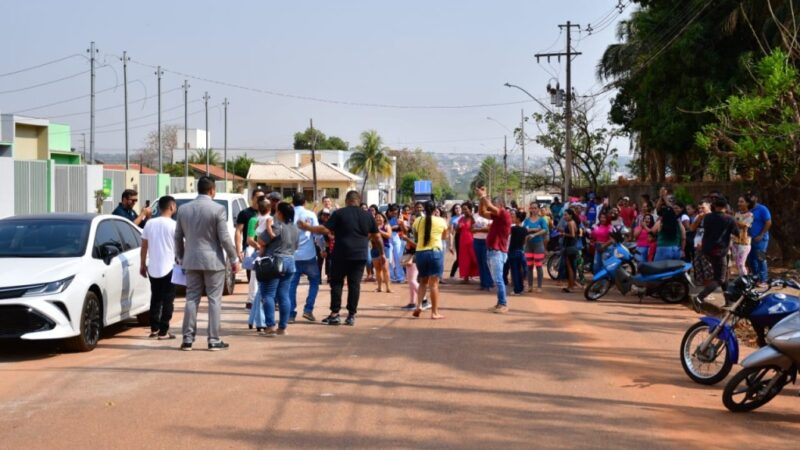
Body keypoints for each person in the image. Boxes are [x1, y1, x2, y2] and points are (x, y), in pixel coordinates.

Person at [300, 190, 384, 326]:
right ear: (358, 200)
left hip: (341, 254)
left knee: (337, 283)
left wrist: (307, 227)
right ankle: (351, 315)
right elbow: (378, 237)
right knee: (354, 284)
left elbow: (325, 229)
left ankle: (335, 314)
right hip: (360, 255)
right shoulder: (368, 216)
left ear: (346, 201)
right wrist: (382, 254)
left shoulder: (339, 213)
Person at [175, 177, 240, 351]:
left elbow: (177, 236)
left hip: (191, 260)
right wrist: (234, 258)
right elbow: (224, 238)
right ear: (212, 190)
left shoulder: (183, 209)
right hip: (213, 261)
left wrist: (180, 256)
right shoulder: (218, 209)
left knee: (191, 299)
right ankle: (213, 339)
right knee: (214, 300)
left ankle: (187, 340)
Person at [256, 202, 299, 336]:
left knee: (268, 294)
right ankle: (283, 327)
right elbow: (296, 247)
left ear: (280, 213)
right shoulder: (295, 228)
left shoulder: (276, 226)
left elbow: (261, 241)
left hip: (275, 262)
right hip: (290, 261)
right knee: (284, 295)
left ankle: (270, 326)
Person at [140, 195, 177, 340]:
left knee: (155, 298)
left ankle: (154, 328)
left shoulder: (149, 224)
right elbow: (181, 247)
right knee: (168, 300)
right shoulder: (174, 225)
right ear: (171, 207)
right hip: (170, 267)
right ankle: (164, 331)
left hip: (153, 267)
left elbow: (144, 246)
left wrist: (142, 264)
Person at [692, 197, 737, 310]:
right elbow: (736, 232)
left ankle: (728, 300)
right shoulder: (729, 219)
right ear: (726, 207)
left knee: (723, 274)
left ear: (714, 206)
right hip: (719, 251)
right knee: (720, 278)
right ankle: (699, 297)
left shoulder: (707, 218)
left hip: (707, 250)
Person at [475, 186, 512, 313]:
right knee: (497, 279)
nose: (492, 206)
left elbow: (489, 207)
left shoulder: (504, 214)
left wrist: (483, 196)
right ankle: (499, 303)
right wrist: (481, 200)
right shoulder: (497, 217)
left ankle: (503, 304)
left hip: (498, 252)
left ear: (500, 205)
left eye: (495, 203)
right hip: (492, 250)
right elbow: (481, 212)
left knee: (498, 279)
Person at [412, 201, 449, 319]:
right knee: (434, 284)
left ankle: (419, 305)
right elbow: (445, 236)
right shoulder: (441, 221)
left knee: (423, 281)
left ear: (423, 209)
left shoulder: (418, 220)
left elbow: (416, 236)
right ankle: (434, 312)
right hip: (435, 252)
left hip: (420, 253)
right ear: (435, 209)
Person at [289, 192, 321, 323]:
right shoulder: (310, 214)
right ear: (304, 202)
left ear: (292, 202)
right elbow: (317, 234)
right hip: (309, 255)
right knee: (314, 282)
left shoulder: (288, 215)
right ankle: (308, 309)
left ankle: (291, 314)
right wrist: (322, 248)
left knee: (291, 285)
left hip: (292, 255)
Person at [237, 189, 265, 310]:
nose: (260, 200)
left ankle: (257, 299)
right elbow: (238, 231)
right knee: (252, 275)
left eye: (262, 198)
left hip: (264, 248)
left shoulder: (267, 214)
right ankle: (252, 300)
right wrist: (238, 249)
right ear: (252, 198)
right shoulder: (245, 213)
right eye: (258, 198)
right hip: (250, 248)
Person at [246, 198, 271, 332]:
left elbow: (252, 238)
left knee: (259, 290)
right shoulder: (269, 220)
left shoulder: (255, 221)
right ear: (270, 208)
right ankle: (260, 322)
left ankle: (252, 319)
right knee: (264, 291)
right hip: (267, 258)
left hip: (258, 257)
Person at [746, 192, 772, 284]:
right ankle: (755, 277)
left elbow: (768, 222)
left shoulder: (762, 209)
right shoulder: (748, 210)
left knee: (761, 258)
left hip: (761, 239)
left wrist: (761, 234)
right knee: (751, 259)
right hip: (750, 239)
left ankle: (763, 279)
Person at [523, 202, 548, 293]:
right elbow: (524, 230)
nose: (533, 210)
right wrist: (534, 230)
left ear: (538, 209)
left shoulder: (542, 220)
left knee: (538, 266)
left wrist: (534, 234)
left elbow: (545, 230)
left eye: (535, 208)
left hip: (538, 245)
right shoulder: (527, 220)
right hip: (528, 245)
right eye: (532, 208)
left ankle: (539, 286)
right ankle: (530, 286)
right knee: (529, 266)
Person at [472, 203, 492, 291]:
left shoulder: (489, 215)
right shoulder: (474, 216)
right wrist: (482, 229)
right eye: (479, 206)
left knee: (485, 262)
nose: (480, 207)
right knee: (479, 263)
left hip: (486, 241)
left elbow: (489, 229)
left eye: (482, 206)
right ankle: (483, 283)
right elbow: (471, 229)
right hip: (476, 240)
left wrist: (478, 229)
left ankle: (488, 282)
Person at [508, 211, 528, 296]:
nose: (512, 218)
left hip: (513, 252)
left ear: (518, 219)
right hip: (521, 251)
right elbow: (525, 242)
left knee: (515, 271)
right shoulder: (525, 229)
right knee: (520, 271)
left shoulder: (513, 229)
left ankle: (517, 290)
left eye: (514, 217)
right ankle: (521, 288)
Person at [733, 196, 754, 276]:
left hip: (744, 242)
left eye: (742, 202)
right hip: (735, 241)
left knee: (741, 264)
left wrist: (732, 220)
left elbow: (744, 225)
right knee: (738, 264)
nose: (739, 203)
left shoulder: (750, 215)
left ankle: (745, 281)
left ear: (748, 203)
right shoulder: (736, 214)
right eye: (739, 201)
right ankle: (742, 280)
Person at [373, 213, 393, 293]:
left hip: (385, 248)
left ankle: (388, 287)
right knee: (377, 269)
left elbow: (389, 235)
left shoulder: (386, 226)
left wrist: (379, 231)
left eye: (380, 217)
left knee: (385, 269)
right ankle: (379, 287)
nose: (378, 218)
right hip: (374, 249)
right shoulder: (372, 227)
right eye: (376, 217)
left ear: (384, 218)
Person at [561, 209, 580, 293]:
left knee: (570, 267)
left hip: (570, 247)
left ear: (571, 215)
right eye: (564, 215)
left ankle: (571, 286)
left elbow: (572, 235)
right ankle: (570, 285)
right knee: (571, 267)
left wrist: (563, 234)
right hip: (572, 246)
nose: (564, 216)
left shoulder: (570, 223)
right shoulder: (572, 222)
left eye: (566, 215)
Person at [387, 205, 406, 283]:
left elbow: (402, 228)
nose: (395, 213)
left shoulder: (400, 217)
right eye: (393, 212)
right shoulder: (386, 217)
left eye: (396, 212)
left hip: (396, 236)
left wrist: (399, 224)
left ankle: (400, 277)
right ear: (390, 211)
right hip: (387, 237)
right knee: (389, 258)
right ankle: (390, 276)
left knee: (398, 257)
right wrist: (392, 227)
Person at [447, 204, 463, 278]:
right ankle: (452, 274)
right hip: (459, 238)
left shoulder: (465, 216)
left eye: (459, 208)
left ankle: (467, 274)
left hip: (468, 238)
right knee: (460, 257)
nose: (458, 209)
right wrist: (450, 245)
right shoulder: (453, 219)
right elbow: (451, 233)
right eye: (456, 208)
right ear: (454, 210)